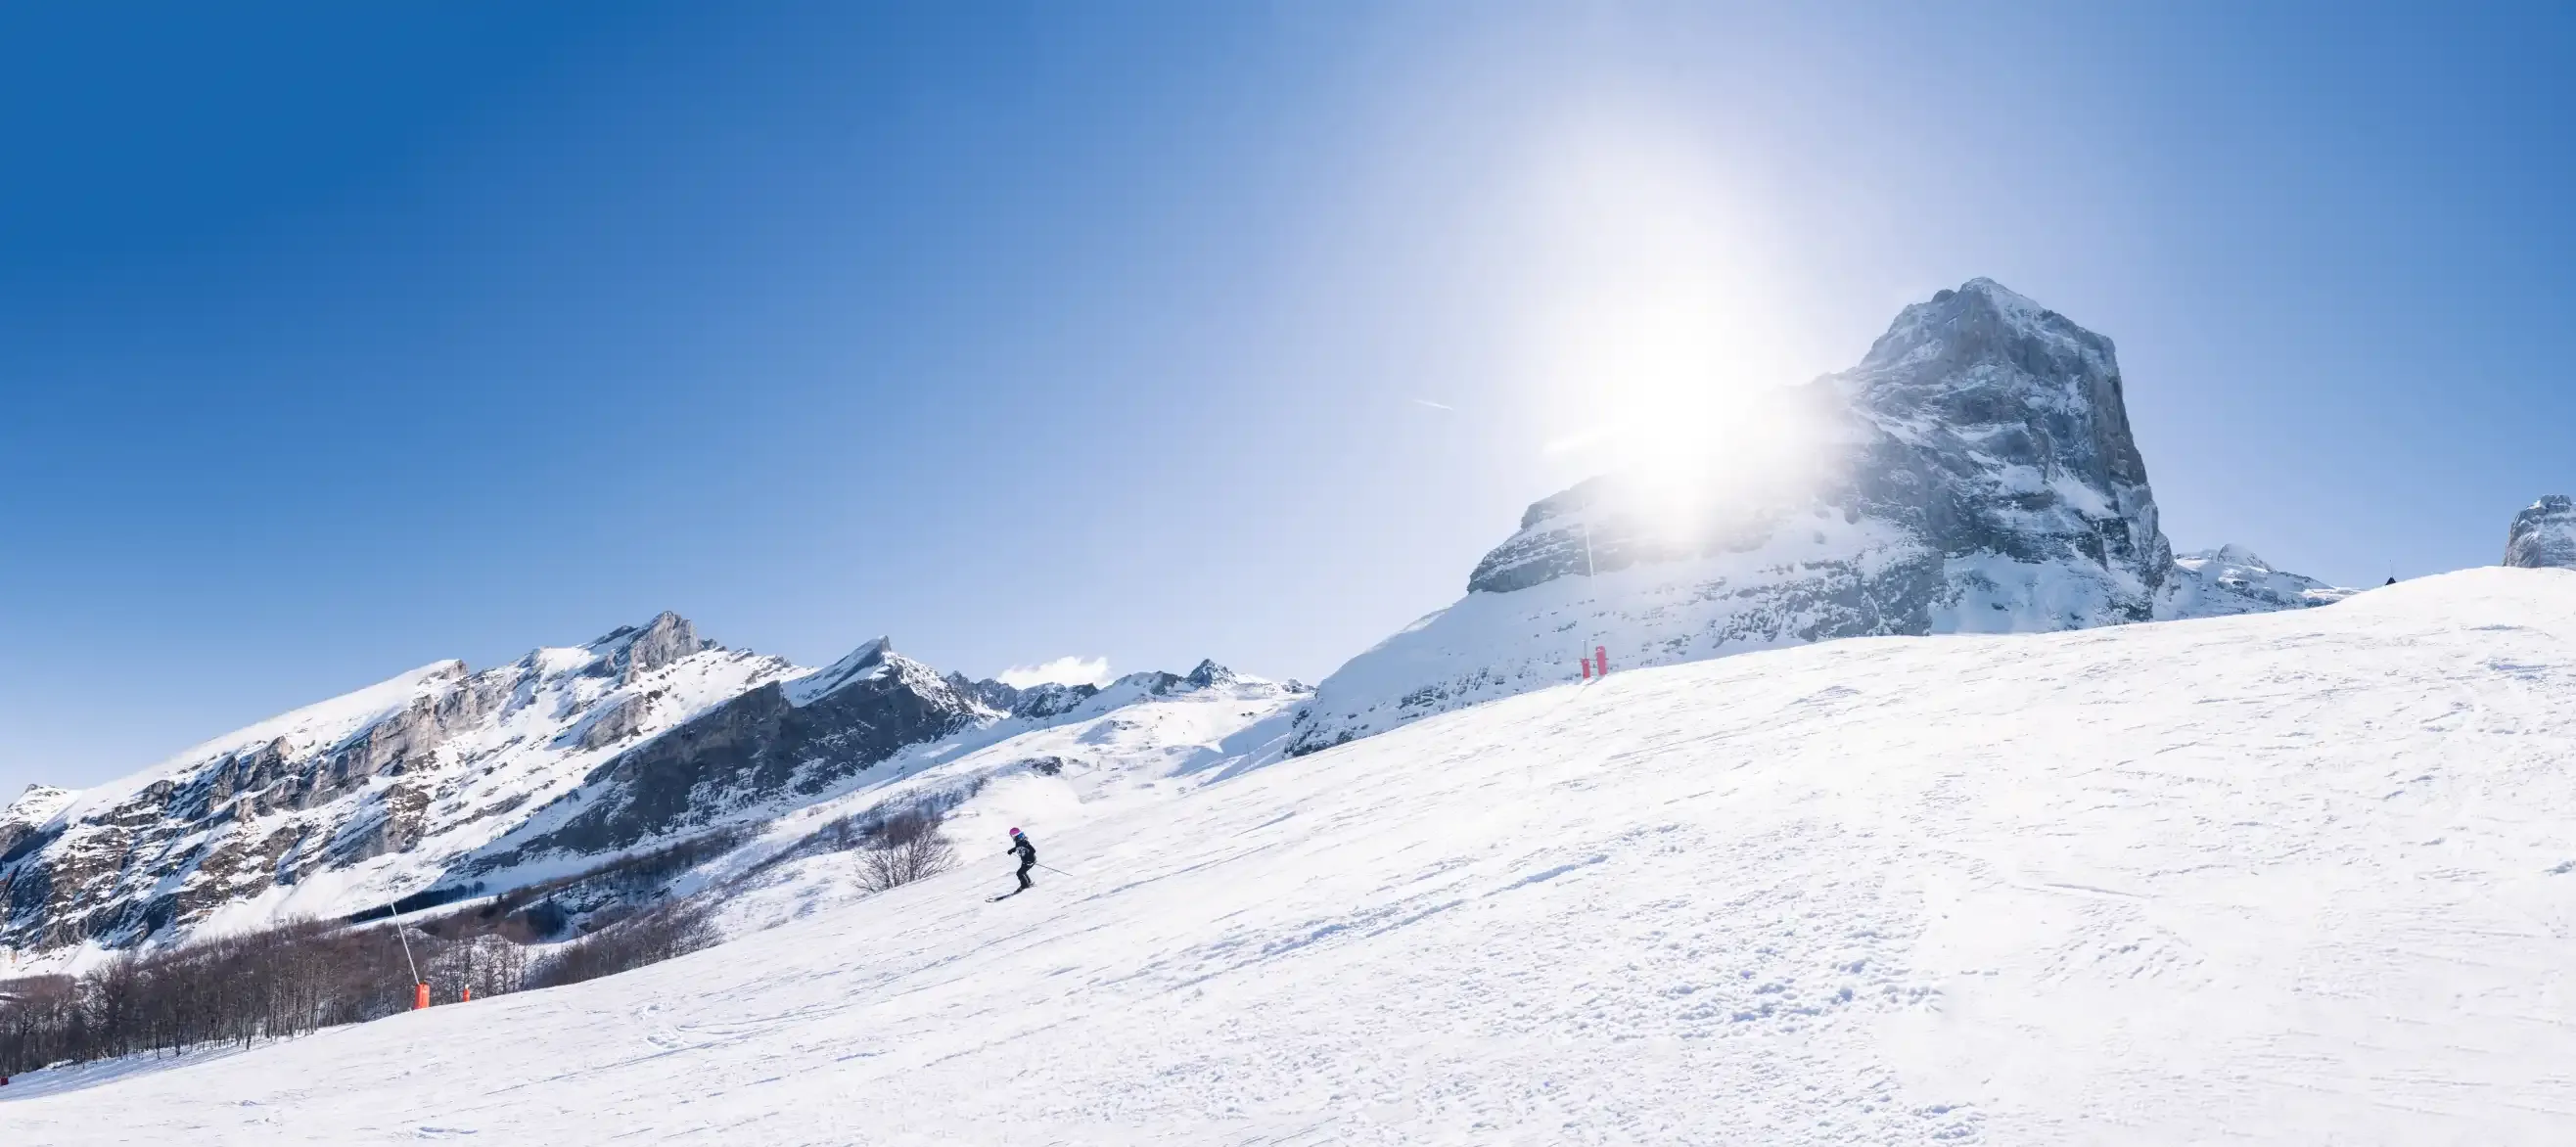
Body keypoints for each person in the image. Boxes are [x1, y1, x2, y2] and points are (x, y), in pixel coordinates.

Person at [1006, 827, 1037, 892]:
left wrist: (1028, 859)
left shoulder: (1023, 842)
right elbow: (1017, 847)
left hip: (1029, 861)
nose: (1012, 838)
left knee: (1019, 873)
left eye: (1012, 836)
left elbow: (1033, 850)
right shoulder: (1019, 842)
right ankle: (1028, 883)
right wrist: (1011, 850)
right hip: (1025, 861)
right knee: (1022, 872)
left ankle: (1024, 885)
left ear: (1016, 836)